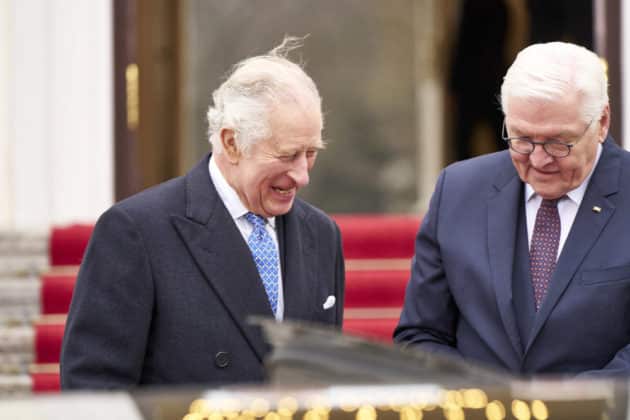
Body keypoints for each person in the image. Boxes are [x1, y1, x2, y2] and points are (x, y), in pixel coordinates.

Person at [61, 38, 345, 389]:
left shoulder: (321, 234)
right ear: (231, 142)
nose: (303, 175)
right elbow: (95, 389)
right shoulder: (135, 231)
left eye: (311, 152)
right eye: (287, 156)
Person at [395, 41, 630, 376]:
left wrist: (566, 406)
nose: (538, 159)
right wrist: (487, 402)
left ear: (602, 122)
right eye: (521, 138)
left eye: (557, 142)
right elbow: (420, 335)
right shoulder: (459, 189)